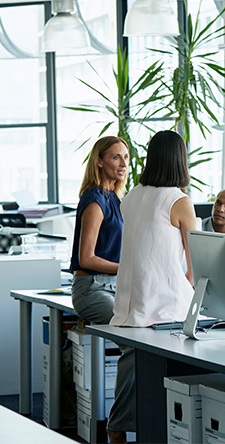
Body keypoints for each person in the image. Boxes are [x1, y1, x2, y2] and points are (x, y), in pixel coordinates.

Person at [108, 130, 199, 443]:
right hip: (164, 307)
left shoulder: (132, 195)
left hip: (130, 305)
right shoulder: (178, 200)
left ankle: (119, 428)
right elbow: (195, 261)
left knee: (132, 365)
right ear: (180, 160)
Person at [70, 136, 128, 327]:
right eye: (116, 157)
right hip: (92, 288)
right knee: (129, 329)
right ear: (99, 161)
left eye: (126, 158)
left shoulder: (115, 198)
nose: (123, 164)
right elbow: (86, 259)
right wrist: (127, 269)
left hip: (114, 286)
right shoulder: (95, 199)